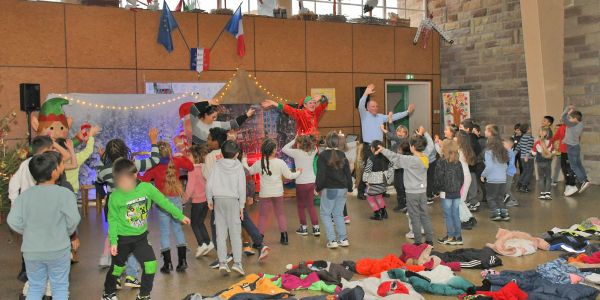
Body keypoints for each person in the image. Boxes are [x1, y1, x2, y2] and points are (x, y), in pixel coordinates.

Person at [101, 158, 190, 300]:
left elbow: (163, 202)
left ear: (135, 175)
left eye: (125, 182)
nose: (122, 186)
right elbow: (112, 220)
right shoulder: (115, 196)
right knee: (117, 268)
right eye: (119, 182)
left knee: (151, 265)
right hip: (122, 239)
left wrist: (179, 215)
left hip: (140, 238)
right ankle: (108, 292)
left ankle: (143, 295)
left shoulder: (147, 188)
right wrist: (113, 241)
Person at [8, 152, 81, 300]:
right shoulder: (64, 194)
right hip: (58, 250)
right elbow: (74, 219)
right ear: (55, 172)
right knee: (60, 287)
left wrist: (27, 231)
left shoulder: (25, 196)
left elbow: (12, 221)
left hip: (31, 251)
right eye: (60, 165)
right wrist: (65, 231)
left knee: (35, 287)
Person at [97, 128, 160, 287]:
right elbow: (155, 160)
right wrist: (153, 141)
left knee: (117, 240)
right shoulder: (133, 165)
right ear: (125, 150)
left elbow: (99, 179)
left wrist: (101, 159)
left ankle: (116, 278)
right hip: (132, 203)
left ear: (107, 155)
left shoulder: (103, 170)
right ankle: (131, 276)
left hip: (113, 204)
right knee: (134, 237)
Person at [139, 142, 194, 274]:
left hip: (162, 202)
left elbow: (144, 180)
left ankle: (167, 264)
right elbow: (191, 166)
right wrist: (183, 155)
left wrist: (135, 172)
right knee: (178, 229)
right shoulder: (176, 161)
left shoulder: (154, 167)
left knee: (164, 232)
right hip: (176, 199)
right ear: (170, 152)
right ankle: (182, 261)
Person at [357, 84, 415, 200]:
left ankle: (381, 190)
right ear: (367, 108)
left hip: (380, 146)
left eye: (376, 106)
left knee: (382, 168)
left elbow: (393, 117)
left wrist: (407, 112)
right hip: (369, 147)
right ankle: (360, 192)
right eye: (372, 106)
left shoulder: (380, 117)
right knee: (368, 168)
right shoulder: (364, 115)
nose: (375, 108)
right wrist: (365, 93)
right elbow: (360, 105)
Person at [377, 134, 433, 246]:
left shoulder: (410, 160)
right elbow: (430, 146)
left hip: (412, 193)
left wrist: (382, 149)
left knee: (414, 217)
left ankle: (418, 242)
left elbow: (394, 157)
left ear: (412, 147)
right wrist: (424, 133)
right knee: (424, 215)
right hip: (422, 192)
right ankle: (429, 241)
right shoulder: (425, 158)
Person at [247, 138, 301, 245]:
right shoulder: (280, 162)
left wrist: (244, 161)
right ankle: (284, 237)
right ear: (273, 150)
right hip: (278, 193)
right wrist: (298, 172)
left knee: (263, 216)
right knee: (280, 214)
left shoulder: (259, 162)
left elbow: (249, 171)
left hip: (264, 194)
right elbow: (289, 176)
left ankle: (259, 239)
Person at [205, 140, 247, 276]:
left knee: (220, 233)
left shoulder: (217, 165)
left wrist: (209, 199)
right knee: (235, 233)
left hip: (218, 200)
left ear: (222, 153)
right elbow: (241, 187)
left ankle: (222, 262)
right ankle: (237, 263)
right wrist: (242, 206)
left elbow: (209, 184)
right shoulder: (238, 166)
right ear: (237, 154)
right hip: (232, 201)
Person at [315, 131, 353, 249]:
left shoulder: (322, 156)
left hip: (329, 189)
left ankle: (332, 240)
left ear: (326, 141)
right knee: (338, 214)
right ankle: (343, 239)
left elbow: (320, 175)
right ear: (337, 142)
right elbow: (347, 173)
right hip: (343, 189)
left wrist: (317, 188)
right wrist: (350, 187)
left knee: (325, 214)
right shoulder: (342, 154)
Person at [282, 135, 320, 236]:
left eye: (297, 143)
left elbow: (284, 149)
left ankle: (304, 228)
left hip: (301, 182)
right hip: (312, 181)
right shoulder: (313, 151)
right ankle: (316, 228)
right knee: (310, 205)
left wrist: (294, 139)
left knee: (301, 206)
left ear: (299, 143)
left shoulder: (296, 152)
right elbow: (315, 146)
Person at [184, 144, 214, 258]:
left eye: (189, 155)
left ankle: (201, 244)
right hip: (206, 200)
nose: (187, 157)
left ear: (195, 156)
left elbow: (190, 188)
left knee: (194, 223)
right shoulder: (204, 167)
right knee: (200, 222)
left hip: (197, 201)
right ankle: (208, 242)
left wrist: (184, 199)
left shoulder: (192, 170)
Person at [434, 139, 464, 245]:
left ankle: (450, 236)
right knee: (455, 214)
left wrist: (438, 189)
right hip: (456, 192)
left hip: (445, 192)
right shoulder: (458, 162)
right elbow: (462, 178)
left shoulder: (441, 162)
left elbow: (438, 178)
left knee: (448, 215)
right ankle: (458, 236)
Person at [189, 100, 255, 145]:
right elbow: (192, 109)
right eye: (213, 117)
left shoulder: (217, 124)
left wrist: (247, 115)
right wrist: (208, 102)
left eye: (216, 117)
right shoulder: (195, 122)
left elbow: (233, 124)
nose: (215, 119)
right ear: (206, 115)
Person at [481, 125, 509, 221]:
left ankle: (495, 213)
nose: (484, 131)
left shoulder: (488, 152)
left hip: (492, 180)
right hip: (502, 179)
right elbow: (505, 166)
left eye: (485, 130)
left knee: (491, 198)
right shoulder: (502, 151)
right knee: (500, 198)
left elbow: (489, 167)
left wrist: (483, 175)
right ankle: (504, 214)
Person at [262, 95, 329, 136]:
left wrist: (320, 97)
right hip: (303, 144)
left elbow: (325, 103)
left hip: (314, 145)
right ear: (305, 105)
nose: (312, 105)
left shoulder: (315, 112)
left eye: (314, 103)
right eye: (310, 103)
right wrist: (274, 103)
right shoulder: (301, 113)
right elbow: (288, 109)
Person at [381, 120, 409, 212]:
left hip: (403, 168)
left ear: (406, 134)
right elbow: (393, 134)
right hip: (397, 168)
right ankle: (401, 204)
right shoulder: (396, 141)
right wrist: (390, 122)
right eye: (399, 131)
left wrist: (384, 130)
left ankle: (405, 205)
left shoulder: (404, 141)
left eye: (403, 132)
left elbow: (394, 136)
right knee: (397, 186)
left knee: (402, 186)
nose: (400, 133)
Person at [562, 105, 591, 193]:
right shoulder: (580, 123)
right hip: (576, 146)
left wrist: (568, 109)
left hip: (571, 147)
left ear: (575, 119)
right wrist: (572, 112)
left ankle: (584, 181)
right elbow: (571, 117)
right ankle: (585, 179)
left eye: (571, 118)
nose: (569, 119)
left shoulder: (571, 124)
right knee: (578, 164)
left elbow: (563, 117)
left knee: (573, 166)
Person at [362, 140, 394, 220]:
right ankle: (384, 212)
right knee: (379, 196)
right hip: (383, 181)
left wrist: (365, 180)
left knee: (370, 197)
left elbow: (367, 170)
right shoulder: (386, 157)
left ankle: (377, 213)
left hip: (374, 182)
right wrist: (388, 176)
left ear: (372, 148)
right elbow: (392, 166)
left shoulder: (371, 159)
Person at [65, 125, 100, 194]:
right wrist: (90, 136)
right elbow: (88, 150)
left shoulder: (54, 159)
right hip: (71, 192)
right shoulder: (76, 159)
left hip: (58, 191)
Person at [550, 120, 578, 196]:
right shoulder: (562, 127)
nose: (561, 120)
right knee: (564, 168)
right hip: (563, 152)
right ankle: (568, 185)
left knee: (569, 169)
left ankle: (572, 185)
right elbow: (555, 137)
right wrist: (549, 142)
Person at [460, 119, 483, 211]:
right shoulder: (470, 137)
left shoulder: (470, 138)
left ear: (467, 129)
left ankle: (474, 202)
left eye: (461, 127)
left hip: (471, 166)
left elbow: (472, 152)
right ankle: (471, 200)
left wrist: (468, 159)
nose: (459, 129)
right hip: (471, 165)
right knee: (470, 184)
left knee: (472, 184)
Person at [455, 131, 476, 230]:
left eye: (456, 137)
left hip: (463, 178)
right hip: (466, 177)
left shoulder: (460, 151)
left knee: (457, 201)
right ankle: (470, 218)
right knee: (461, 201)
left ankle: (465, 221)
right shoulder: (465, 149)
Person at [532, 127, 554, 200]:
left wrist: (531, 151)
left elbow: (534, 153)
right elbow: (553, 152)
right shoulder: (550, 142)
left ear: (540, 133)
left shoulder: (537, 143)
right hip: (547, 162)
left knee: (541, 178)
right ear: (547, 134)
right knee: (548, 178)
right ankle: (548, 193)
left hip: (539, 163)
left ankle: (542, 194)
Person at [516, 123, 535, 193]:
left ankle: (519, 184)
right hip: (528, 158)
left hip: (522, 157)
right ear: (528, 130)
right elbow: (529, 147)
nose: (530, 128)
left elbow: (518, 146)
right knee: (529, 172)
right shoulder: (530, 137)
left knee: (525, 171)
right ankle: (524, 186)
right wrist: (527, 156)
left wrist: (514, 153)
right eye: (529, 127)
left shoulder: (522, 137)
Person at [502, 138, 519, 207]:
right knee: (505, 188)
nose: (502, 145)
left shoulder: (509, 152)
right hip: (508, 172)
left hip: (509, 173)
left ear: (508, 145)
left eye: (503, 144)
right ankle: (507, 199)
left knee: (507, 188)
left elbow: (508, 163)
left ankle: (514, 200)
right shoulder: (509, 152)